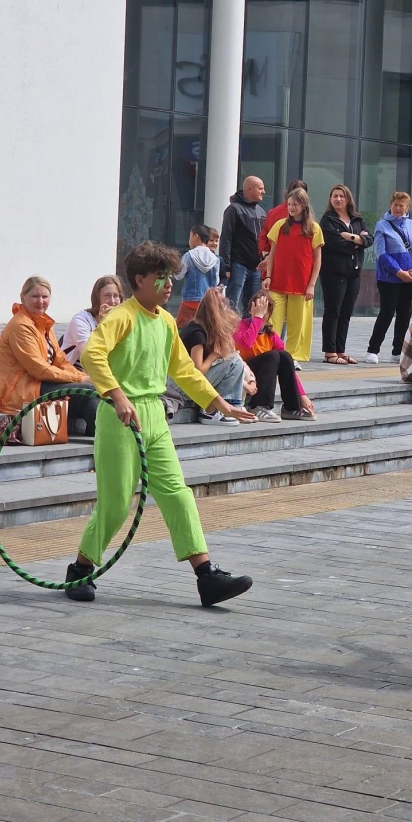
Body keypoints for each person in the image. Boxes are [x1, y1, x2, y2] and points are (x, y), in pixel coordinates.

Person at [65, 241, 256, 606]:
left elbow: (183, 370)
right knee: (117, 502)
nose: (170, 284)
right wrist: (116, 395)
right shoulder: (122, 316)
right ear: (139, 279)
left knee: (176, 492)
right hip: (120, 416)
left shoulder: (166, 321)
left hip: (154, 415)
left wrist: (220, 404)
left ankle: (206, 576)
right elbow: (92, 354)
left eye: (171, 277)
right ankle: (80, 569)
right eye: (161, 277)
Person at [0, 276, 97, 438]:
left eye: (44, 297)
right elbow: (38, 369)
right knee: (87, 392)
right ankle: (106, 439)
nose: (40, 301)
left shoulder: (43, 323)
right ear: (22, 297)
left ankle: (101, 436)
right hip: (20, 392)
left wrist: (83, 376)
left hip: (40, 384)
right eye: (35, 296)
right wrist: (79, 379)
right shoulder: (20, 326)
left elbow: (60, 361)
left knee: (95, 390)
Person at [168, 288, 253, 425]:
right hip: (181, 385)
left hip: (185, 383)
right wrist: (213, 356)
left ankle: (231, 405)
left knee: (234, 358)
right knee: (234, 362)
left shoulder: (204, 330)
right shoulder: (196, 332)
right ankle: (212, 411)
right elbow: (197, 371)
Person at [262, 187, 323, 364]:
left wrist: (312, 284)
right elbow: (271, 254)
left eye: (295, 204)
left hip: (302, 284)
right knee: (272, 321)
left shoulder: (314, 228)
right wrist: (268, 277)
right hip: (278, 283)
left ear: (304, 206)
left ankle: (293, 357)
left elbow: (318, 259)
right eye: (289, 204)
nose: (291, 207)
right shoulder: (280, 226)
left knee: (298, 324)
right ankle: (271, 353)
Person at [365, 192, 412, 364]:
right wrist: (399, 271)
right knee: (387, 312)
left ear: (407, 208)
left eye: (402, 205)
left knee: (405, 314)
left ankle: (398, 351)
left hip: (410, 277)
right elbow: (381, 253)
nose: (398, 208)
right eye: (395, 205)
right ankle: (373, 349)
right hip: (388, 278)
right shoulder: (382, 225)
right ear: (391, 205)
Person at [234, 291, 316, 421]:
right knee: (272, 356)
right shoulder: (240, 326)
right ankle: (258, 406)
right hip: (243, 373)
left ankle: (291, 407)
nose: (262, 312)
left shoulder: (271, 335)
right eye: (258, 307)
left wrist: (302, 395)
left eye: (265, 310)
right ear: (251, 310)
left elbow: (288, 366)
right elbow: (246, 344)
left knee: (284, 356)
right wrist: (258, 318)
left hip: (261, 377)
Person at [319, 183, 373, 364]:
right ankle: (330, 351)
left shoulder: (356, 219)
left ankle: (341, 350)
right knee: (333, 311)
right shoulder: (327, 221)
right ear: (330, 199)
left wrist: (351, 237)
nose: (338, 199)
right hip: (334, 273)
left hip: (354, 272)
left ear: (348, 199)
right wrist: (358, 241)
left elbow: (369, 239)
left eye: (341, 196)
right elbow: (335, 244)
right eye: (335, 196)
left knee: (346, 312)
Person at [220, 176, 267, 311]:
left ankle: (249, 332)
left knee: (252, 306)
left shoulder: (261, 211)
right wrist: (227, 266)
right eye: (260, 188)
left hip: (256, 267)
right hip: (238, 265)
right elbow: (226, 238)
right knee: (231, 305)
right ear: (249, 188)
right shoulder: (233, 209)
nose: (263, 191)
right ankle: (229, 331)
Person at [61, 275, 125, 366]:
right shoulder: (81, 320)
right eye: (107, 296)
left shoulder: (123, 321)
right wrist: (103, 324)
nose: (112, 301)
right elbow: (89, 353)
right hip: (76, 370)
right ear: (97, 298)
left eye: (116, 296)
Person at [175, 224, 220, 329]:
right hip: (208, 302)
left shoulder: (189, 255)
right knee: (206, 328)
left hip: (190, 301)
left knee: (180, 328)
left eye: (190, 237)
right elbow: (216, 281)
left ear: (196, 237)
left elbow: (179, 275)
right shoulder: (215, 259)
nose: (189, 240)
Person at [257, 179, 308, 262]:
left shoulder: (273, 212)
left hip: (274, 261)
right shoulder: (286, 217)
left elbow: (263, 237)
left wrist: (266, 255)